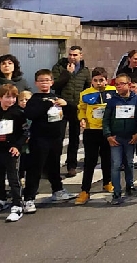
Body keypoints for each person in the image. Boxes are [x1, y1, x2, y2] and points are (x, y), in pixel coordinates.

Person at [23, 69, 75, 214]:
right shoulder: (35, 99)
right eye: (41, 81)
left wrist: (66, 104)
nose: (44, 83)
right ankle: (29, 198)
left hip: (56, 138)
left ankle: (57, 190)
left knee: (54, 166)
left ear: (52, 82)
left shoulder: (57, 97)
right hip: (39, 139)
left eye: (47, 80)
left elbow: (71, 113)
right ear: (36, 83)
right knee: (35, 169)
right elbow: (30, 114)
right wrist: (47, 104)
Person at [0, 54, 31, 199]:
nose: (7, 65)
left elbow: (28, 97)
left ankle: (18, 181)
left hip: (18, 120)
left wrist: (20, 108)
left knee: (17, 152)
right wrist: (3, 110)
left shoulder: (21, 81)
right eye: (3, 63)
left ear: (15, 65)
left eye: (10, 63)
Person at [0, 84, 27, 222]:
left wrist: (17, 146)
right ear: (0, 98)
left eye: (14, 97)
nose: (11, 100)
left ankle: (17, 204)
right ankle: (1, 200)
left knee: (13, 177)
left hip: (11, 149)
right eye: (8, 97)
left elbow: (25, 132)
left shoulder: (19, 113)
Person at [75, 67, 116, 205]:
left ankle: (107, 182)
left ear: (106, 80)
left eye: (101, 80)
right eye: (95, 80)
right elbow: (81, 108)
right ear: (91, 81)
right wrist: (82, 118)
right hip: (91, 130)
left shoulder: (113, 91)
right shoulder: (85, 94)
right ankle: (85, 190)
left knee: (107, 158)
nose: (98, 83)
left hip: (107, 131)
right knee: (90, 161)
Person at [102, 73, 137, 205]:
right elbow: (106, 120)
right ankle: (116, 192)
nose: (119, 86)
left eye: (122, 84)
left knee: (129, 163)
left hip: (130, 137)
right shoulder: (112, 101)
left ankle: (130, 186)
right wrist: (108, 135)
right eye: (117, 84)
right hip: (116, 137)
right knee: (115, 164)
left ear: (129, 84)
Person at [51, 46, 91, 178]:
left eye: (75, 55)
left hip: (76, 107)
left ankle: (71, 166)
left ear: (81, 56)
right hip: (61, 106)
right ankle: (53, 166)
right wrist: (67, 73)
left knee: (74, 138)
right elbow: (54, 85)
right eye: (70, 55)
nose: (72, 57)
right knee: (58, 137)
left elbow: (87, 89)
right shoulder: (59, 67)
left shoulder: (85, 71)